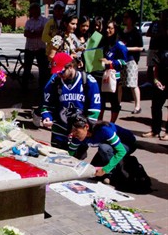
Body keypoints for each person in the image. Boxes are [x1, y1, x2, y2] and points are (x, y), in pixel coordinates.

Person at [41, 52, 101, 150]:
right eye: (57, 73)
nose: (59, 75)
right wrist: (47, 116)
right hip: (59, 130)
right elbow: (46, 104)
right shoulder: (54, 82)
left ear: (70, 66)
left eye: (61, 72)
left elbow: (94, 109)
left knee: (77, 160)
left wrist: (84, 130)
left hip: (79, 131)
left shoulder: (89, 81)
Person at [68, 114, 137, 184]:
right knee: (92, 171)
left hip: (127, 143)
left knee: (104, 148)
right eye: (72, 132)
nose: (74, 135)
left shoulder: (104, 130)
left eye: (76, 131)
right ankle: (109, 167)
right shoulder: (76, 137)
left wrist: (105, 170)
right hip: (109, 145)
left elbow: (121, 151)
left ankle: (113, 175)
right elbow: (70, 154)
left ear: (86, 126)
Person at [142, 12, 168, 140]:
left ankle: (167, 132)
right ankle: (155, 130)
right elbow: (156, 63)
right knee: (156, 105)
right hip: (161, 78)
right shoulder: (161, 45)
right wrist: (156, 79)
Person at [100, 19, 128, 123]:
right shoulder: (103, 42)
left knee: (114, 101)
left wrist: (110, 63)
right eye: (106, 28)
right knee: (101, 101)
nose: (107, 30)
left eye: (110, 28)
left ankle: (112, 124)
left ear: (115, 29)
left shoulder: (119, 45)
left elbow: (124, 62)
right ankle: (99, 122)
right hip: (102, 76)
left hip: (114, 77)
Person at [119, 10, 144, 114]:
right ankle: (118, 104)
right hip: (121, 59)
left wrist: (127, 49)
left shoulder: (136, 32)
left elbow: (141, 47)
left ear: (132, 19)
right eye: (124, 17)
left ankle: (138, 106)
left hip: (131, 59)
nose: (124, 19)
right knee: (119, 83)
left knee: (132, 83)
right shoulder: (123, 31)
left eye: (127, 17)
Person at [22, 2, 49, 94]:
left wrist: (33, 33)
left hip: (40, 48)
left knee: (42, 70)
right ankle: (24, 88)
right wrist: (36, 32)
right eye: (32, 10)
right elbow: (26, 33)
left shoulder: (44, 20)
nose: (33, 12)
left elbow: (43, 33)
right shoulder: (29, 21)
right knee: (26, 69)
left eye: (35, 10)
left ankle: (42, 88)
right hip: (29, 48)